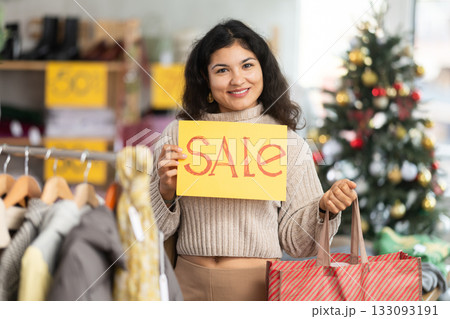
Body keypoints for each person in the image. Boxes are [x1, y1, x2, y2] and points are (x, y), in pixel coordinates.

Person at [150, 19, 357, 301]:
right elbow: (152, 230)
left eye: (247, 65)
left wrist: (324, 210)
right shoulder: (178, 135)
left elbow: (297, 245)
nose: (237, 79)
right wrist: (165, 192)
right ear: (205, 77)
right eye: (222, 70)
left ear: (263, 70)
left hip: (257, 288)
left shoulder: (288, 144)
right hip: (185, 283)